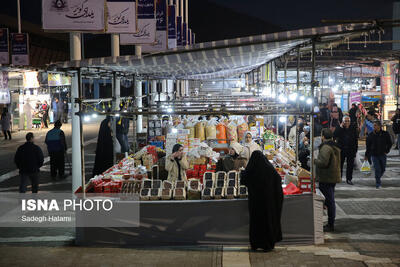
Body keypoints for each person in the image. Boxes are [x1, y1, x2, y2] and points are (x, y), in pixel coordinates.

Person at [240, 151, 283, 251]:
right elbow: (278, 180)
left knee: (256, 223)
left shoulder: (252, 169)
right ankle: (267, 244)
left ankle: (255, 244)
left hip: (255, 203)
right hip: (268, 203)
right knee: (267, 222)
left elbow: (244, 180)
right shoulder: (270, 169)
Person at [315, 128, 341, 232]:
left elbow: (323, 162)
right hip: (332, 176)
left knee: (330, 201)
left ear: (323, 136)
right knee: (330, 200)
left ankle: (331, 224)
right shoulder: (333, 145)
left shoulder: (326, 147)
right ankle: (331, 222)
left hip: (327, 177)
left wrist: (314, 160)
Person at [365, 121, 393, 189]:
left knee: (383, 169)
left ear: (379, 126)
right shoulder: (370, 135)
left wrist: (387, 151)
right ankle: (378, 183)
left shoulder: (385, 134)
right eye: (373, 125)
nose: (374, 127)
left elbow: (390, 143)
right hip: (374, 155)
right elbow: (368, 146)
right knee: (377, 169)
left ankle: (378, 177)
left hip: (382, 154)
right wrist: (366, 155)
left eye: (375, 125)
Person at [334, 116, 358, 185]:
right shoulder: (339, 128)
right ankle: (339, 177)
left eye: (348, 121)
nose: (347, 122)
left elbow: (355, 140)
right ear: (342, 121)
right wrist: (341, 127)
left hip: (351, 150)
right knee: (340, 165)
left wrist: (355, 150)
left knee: (350, 166)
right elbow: (334, 135)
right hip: (341, 150)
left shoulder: (353, 128)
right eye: (345, 121)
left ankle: (349, 179)